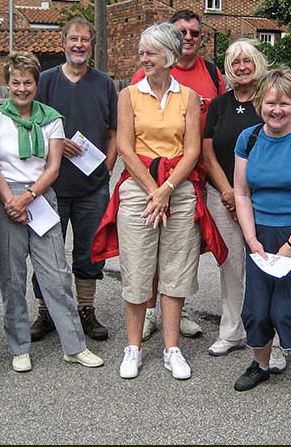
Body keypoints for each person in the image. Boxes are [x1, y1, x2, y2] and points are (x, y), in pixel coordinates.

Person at [0, 52, 104, 373]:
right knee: (12, 277)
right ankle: (19, 345)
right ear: (7, 84)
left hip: (39, 196)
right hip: (5, 198)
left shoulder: (52, 118)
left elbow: (53, 167)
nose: (21, 89)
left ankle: (74, 346)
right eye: (15, 82)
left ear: (37, 84)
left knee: (56, 274)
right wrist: (10, 200)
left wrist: (27, 197)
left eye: (27, 82)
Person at [111, 22, 203, 380]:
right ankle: (132, 347)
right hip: (139, 187)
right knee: (136, 267)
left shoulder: (189, 97)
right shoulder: (128, 95)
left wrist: (167, 190)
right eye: (141, 51)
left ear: (169, 55)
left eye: (150, 51)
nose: (143, 57)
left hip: (178, 188)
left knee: (176, 270)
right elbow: (124, 147)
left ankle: (171, 348)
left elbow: (193, 149)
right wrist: (154, 189)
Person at [232, 68, 291, 403]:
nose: (277, 110)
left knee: (288, 309)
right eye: (271, 103)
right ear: (260, 104)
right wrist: (251, 238)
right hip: (261, 234)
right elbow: (242, 193)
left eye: (285, 103)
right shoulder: (249, 138)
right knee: (257, 309)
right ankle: (260, 364)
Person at [130, 10, 226, 341]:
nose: (189, 37)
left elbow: (219, 124)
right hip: (153, 177)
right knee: (150, 250)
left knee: (182, 254)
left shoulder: (212, 75)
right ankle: (152, 312)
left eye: (195, 33)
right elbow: (131, 137)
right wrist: (156, 188)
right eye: (182, 31)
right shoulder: (137, 82)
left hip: (195, 176)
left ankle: (178, 311)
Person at [203, 39, 291, 369]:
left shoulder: (270, 102)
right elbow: (208, 152)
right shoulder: (219, 105)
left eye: (247, 60)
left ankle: (280, 336)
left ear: (258, 62)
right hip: (223, 197)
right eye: (235, 62)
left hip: (263, 199)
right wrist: (228, 192)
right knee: (231, 268)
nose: (242, 67)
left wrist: (244, 194)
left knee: (269, 266)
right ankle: (232, 331)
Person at [29, 17, 117, 343]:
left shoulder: (105, 84)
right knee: (46, 252)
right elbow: (29, 126)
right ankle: (45, 311)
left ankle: (86, 309)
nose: (79, 45)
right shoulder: (46, 81)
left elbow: (114, 132)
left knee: (88, 251)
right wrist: (53, 142)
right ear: (62, 42)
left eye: (85, 40)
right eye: (73, 39)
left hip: (92, 188)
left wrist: (107, 168)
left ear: (92, 45)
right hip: (49, 186)